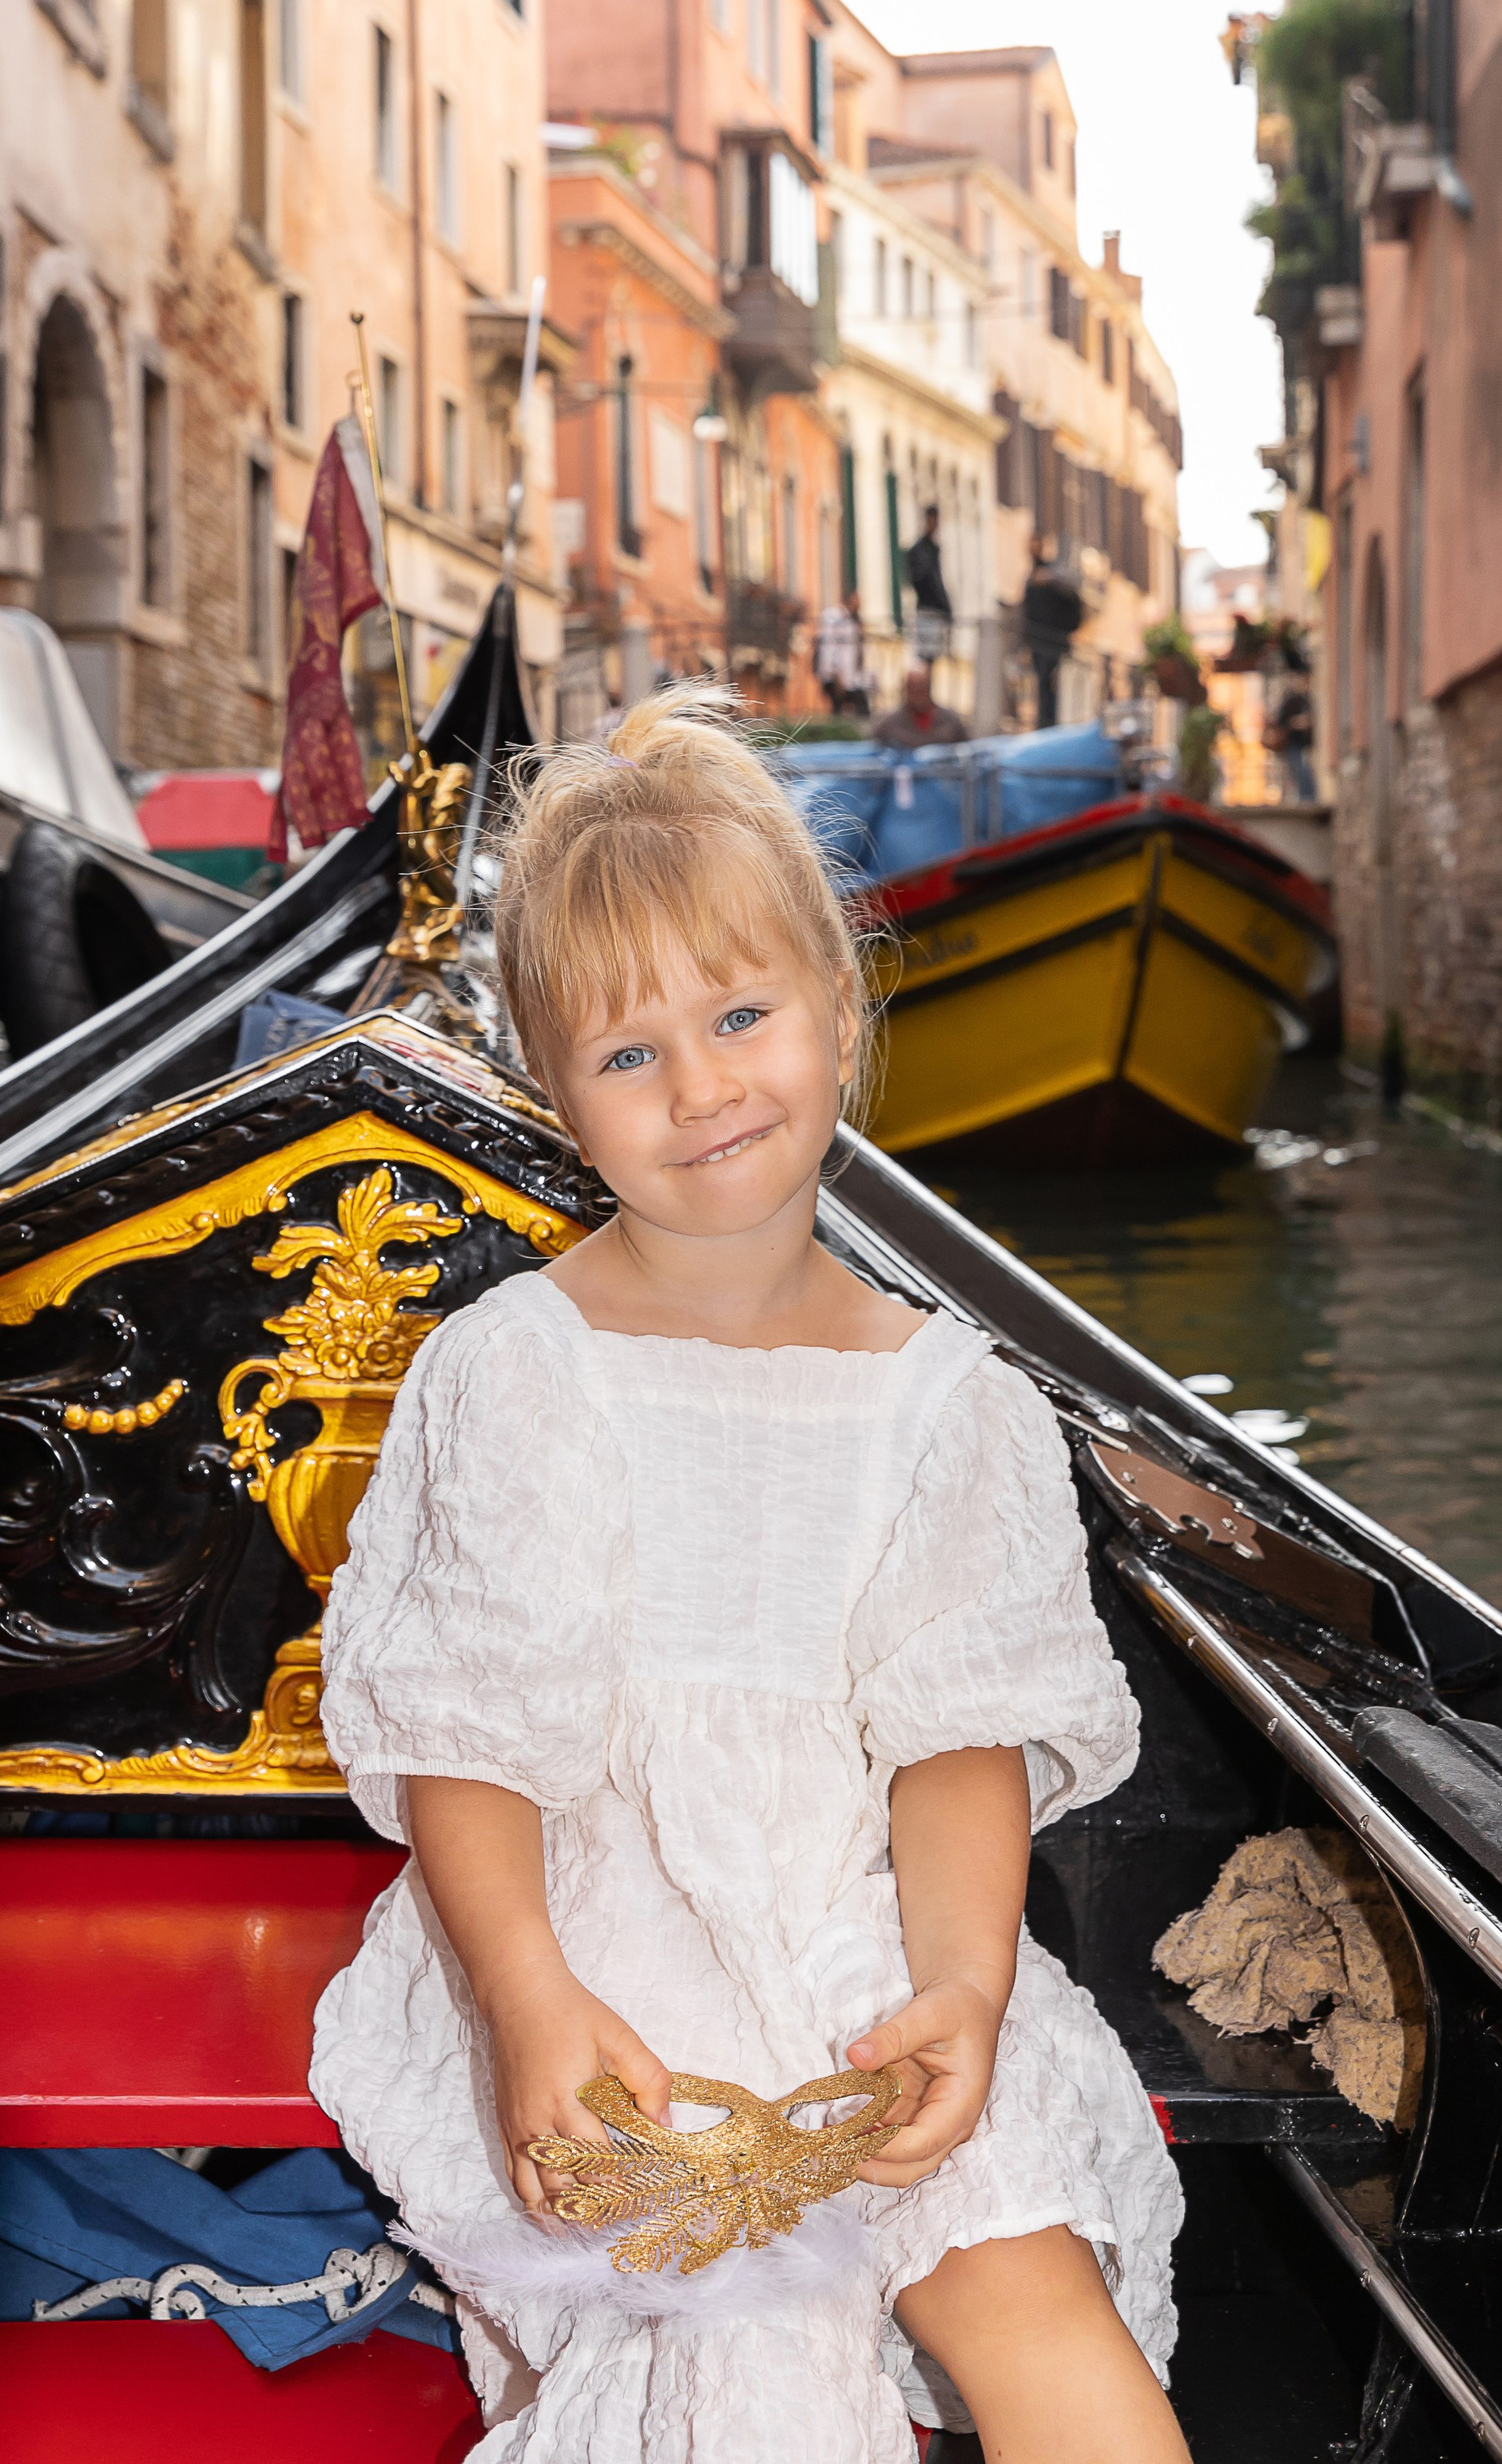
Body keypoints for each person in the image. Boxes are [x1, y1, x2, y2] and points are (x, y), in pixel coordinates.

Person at [312, 685, 1187, 2464]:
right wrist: (528, 1997)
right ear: (555, 1089)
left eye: (738, 1016)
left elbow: (956, 1737)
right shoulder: (518, 1370)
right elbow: (470, 1740)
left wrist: (964, 1986)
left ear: (838, 1014)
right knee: (740, 2344)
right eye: (628, 1054)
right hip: (593, 1941)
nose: (702, 1088)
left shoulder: (952, 1402)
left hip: (868, 1937)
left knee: (1035, 2297)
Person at [1021, 536, 1083, 732]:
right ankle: (1045, 723)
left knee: (1051, 683)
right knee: (1043, 683)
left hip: (1052, 641)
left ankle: (1048, 724)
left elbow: (1072, 600)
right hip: (1039, 641)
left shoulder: (1052, 575)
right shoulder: (1033, 576)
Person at [869, 662, 969, 750]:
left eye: (921, 687)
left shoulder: (951, 722)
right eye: (913, 688)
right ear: (905, 689)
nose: (917, 694)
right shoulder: (888, 725)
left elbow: (967, 751)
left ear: (929, 687)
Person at [902, 504, 953, 665]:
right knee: (926, 657)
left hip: (936, 610)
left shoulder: (933, 549)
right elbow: (923, 579)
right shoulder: (920, 551)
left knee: (932, 657)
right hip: (926, 610)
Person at [813, 586, 868, 717]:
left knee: (846, 709)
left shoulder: (852, 619)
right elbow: (830, 648)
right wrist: (836, 674)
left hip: (850, 676)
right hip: (838, 676)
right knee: (851, 707)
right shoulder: (834, 618)